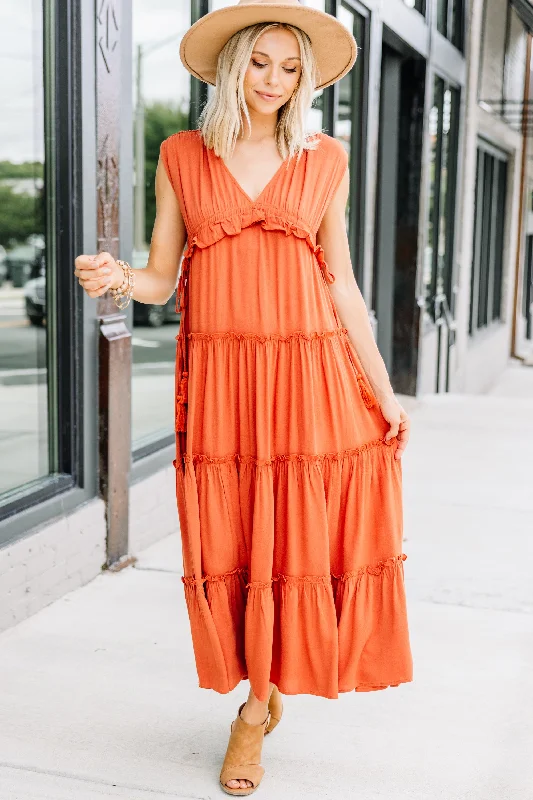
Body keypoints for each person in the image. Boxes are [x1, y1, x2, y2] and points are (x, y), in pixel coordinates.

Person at [75, 0, 413, 794]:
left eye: (290, 67)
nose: (273, 80)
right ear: (232, 67)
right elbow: (162, 279)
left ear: (305, 79)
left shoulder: (323, 158)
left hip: (309, 377)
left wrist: (383, 391)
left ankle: (254, 715)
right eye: (260, 62)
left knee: (293, 540)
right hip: (225, 383)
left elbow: (342, 287)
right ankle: (256, 694)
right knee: (237, 543)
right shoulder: (182, 156)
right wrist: (116, 276)